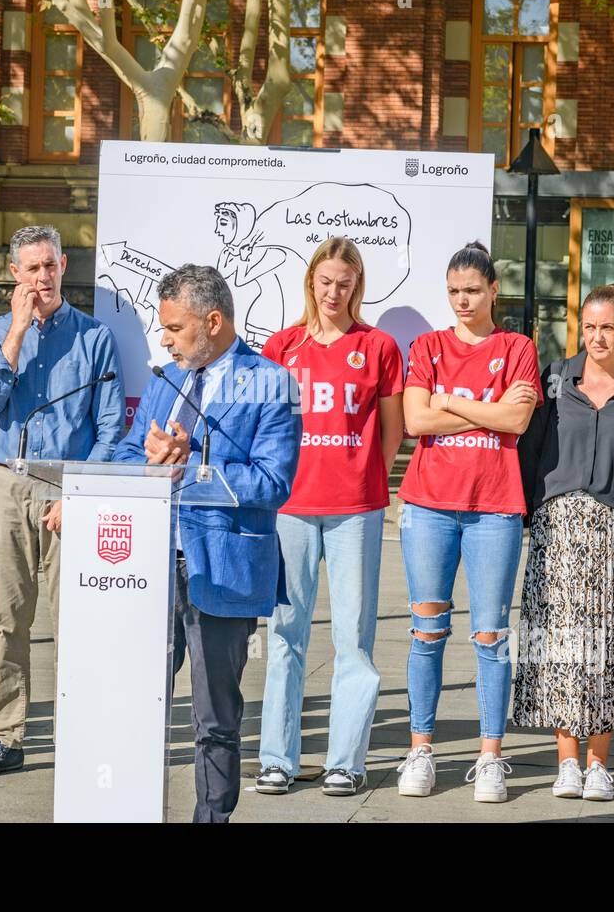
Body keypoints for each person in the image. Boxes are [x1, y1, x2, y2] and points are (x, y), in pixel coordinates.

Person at [113, 263, 300, 823]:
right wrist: (146, 459)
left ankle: (211, 818)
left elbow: (274, 481)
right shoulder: (165, 380)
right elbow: (126, 453)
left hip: (221, 567)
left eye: (174, 327)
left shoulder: (271, 381)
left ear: (212, 321)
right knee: (134, 703)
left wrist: (191, 465)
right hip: (148, 564)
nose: (163, 339)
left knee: (213, 717)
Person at [0, 225, 124, 777]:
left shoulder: (94, 336)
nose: (42, 278)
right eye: (31, 269)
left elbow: (109, 427)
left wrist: (83, 492)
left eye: (50, 266)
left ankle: (76, 733)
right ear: (15, 274)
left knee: (73, 619)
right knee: (9, 617)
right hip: (7, 481)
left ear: (64, 266)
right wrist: (15, 329)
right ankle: (7, 736)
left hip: (67, 484)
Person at [392, 241, 542, 802]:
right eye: (453, 291)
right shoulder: (428, 344)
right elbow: (412, 418)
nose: (462, 300)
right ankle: (421, 750)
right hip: (429, 503)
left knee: (491, 635)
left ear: (493, 290)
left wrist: (448, 405)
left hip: (495, 506)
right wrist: (487, 409)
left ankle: (490, 756)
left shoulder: (517, 346)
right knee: (427, 631)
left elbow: (517, 421)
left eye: (472, 290)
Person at [254, 237, 404, 797]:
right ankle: (277, 758)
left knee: (353, 638)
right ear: (311, 282)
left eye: (345, 283)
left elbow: (391, 431)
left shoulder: (380, 346)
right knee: (285, 634)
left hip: (354, 511)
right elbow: (267, 425)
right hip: (290, 507)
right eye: (326, 281)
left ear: (356, 287)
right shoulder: (281, 346)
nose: (334, 292)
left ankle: (345, 760)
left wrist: (363, 475)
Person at [512, 282, 614, 802]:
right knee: (561, 646)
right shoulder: (555, 378)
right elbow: (531, 450)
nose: (597, 337)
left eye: (608, 327)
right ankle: (566, 763)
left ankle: (599, 762)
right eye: (589, 326)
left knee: (607, 646)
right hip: (558, 527)